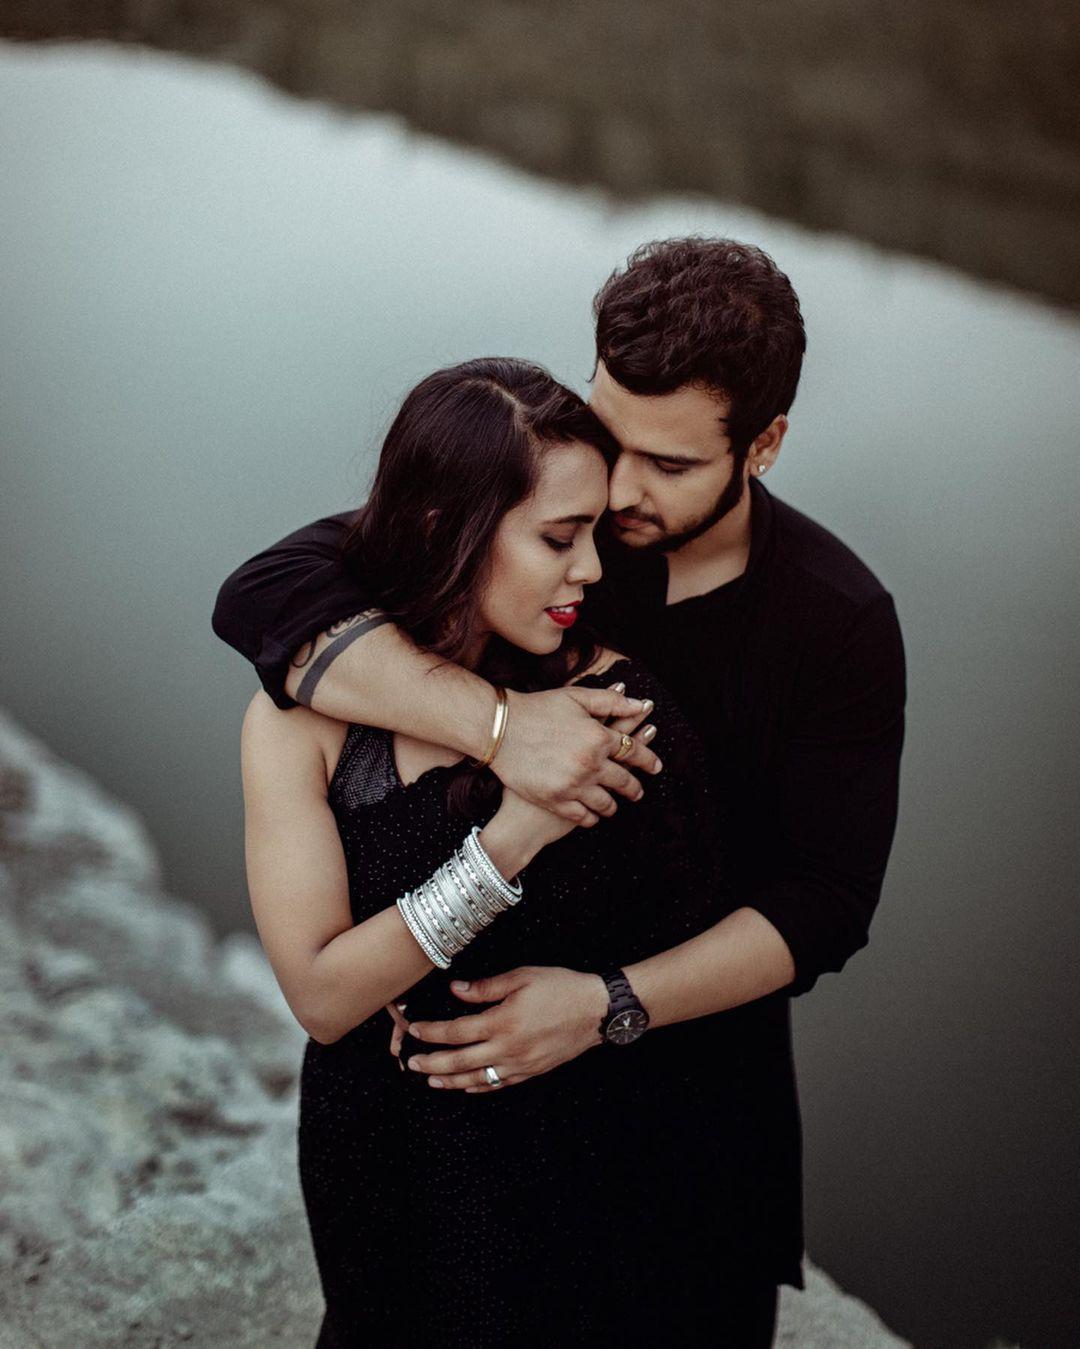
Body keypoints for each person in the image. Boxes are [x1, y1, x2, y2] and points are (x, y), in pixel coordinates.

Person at [215, 237, 907, 1339]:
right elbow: (270, 594)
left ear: (764, 445)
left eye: (668, 466)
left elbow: (826, 904)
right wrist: (502, 728)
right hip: (449, 1130)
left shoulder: (837, 622)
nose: (620, 494)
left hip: (688, 1093)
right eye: (609, 436)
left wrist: (607, 1005)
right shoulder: (553, 516)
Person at [238, 356, 776, 1345]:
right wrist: (510, 837)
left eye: (594, 534)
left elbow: (701, 988)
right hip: (376, 1151)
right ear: (449, 528)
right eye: (559, 537)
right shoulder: (301, 721)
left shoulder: (618, 712)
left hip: (574, 1163)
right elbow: (321, 996)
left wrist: (601, 1003)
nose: (592, 571)